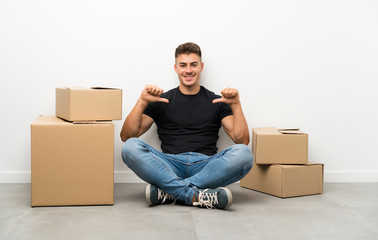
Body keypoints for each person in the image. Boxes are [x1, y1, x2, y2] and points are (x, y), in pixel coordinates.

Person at [120, 42, 253, 210]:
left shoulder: (217, 101)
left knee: (244, 154)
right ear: (175, 68)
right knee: (130, 147)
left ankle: (170, 192)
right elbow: (127, 136)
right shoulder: (161, 100)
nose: (188, 70)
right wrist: (142, 102)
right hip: (169, 165)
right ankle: (196, 195)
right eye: (183, 65)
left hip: (206, 166)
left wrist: (236, 105)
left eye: (193, 65)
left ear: (201, 67)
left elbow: (242, 140)